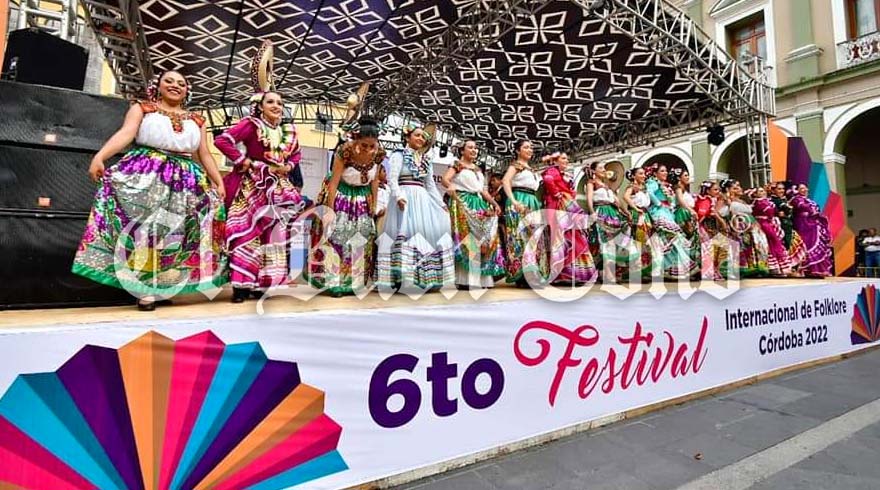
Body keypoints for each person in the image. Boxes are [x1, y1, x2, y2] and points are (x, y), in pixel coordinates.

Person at [73, 70, 227, 311]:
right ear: (158, 86)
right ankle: (143, 290)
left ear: (187, 91)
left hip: (186, 179)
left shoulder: (197, 119)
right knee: (147, 230)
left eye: (181, 83)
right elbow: (126, 133)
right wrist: (100, 156)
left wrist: (218, 180)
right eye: (169, 81)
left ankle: (162, 286)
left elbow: (204, 153)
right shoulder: (143, 108)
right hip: (149, 173)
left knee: (176, 232)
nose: (175, 85)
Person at [215, 91, 306, 302]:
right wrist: (243, 161)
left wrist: (289, 166)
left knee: (273, 235)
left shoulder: (287, 131)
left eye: (280, 103)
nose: (276, 106)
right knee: (246, 233)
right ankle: (241, 286)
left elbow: (296, 154)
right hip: (253, 185)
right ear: (260, 106)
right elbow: (222, 141)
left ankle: (261, 284)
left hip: (278, 189)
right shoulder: (252, 125)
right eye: (270, 102)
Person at [306, 117, 385, 296]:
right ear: (356, 139)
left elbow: (375, 181)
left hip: (362, 200)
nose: (368, 150)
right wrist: (330, 210)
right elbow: (333, 182)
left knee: (361, 240)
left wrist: (374, 203)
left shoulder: (379, 153)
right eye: (364, 145)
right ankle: (334, 282)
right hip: (342, 197)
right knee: (338, 238)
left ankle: (354, 283)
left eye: (372, 146)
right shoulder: (344, 151)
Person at [377, 123, 454, 291]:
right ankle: (403, 279)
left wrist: (441, 204)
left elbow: (430, 185)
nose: (420, 138)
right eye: (417, 135)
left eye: (423, 136)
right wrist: (398, 196)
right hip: (404, 199)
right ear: (407, 137)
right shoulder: (399, 154)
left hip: (422, 201)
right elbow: (392, 178)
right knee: (405, 235)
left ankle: (422, 277)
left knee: (422, 235)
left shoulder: (426, 159)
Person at [441, 140, 504, 289]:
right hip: (463, 202)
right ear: (462, 151)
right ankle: (465, 279)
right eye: (470, 147)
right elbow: (445, 179)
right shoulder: (457, 165)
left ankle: (483, 278)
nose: (474, 150)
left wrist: (495, 204)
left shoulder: (478, 170)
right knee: (468, 239)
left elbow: (483, 191)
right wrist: (451, 187)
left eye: (475, 148)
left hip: (479, 203)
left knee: (485, 239)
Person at [540, 152, 598, 286]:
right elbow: (547, 180)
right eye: (563, 158)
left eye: (567, 158)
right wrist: (557, 193)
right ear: (556, 160)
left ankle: (571, 273)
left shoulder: (562, 174)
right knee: (562, 239)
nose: (566, 160)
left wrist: (568, 191)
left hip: (565, 206)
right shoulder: (552, 171)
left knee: (569, 238)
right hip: (558, 207)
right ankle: (565, 274)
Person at [501, 139, 549, 287]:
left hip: (532, 201)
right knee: (520, 238)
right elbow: (505, 181)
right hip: (520, 200)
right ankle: (522, 276)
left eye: (531, 147)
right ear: (518, 150)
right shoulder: (516, 166)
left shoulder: (530, 169)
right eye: (526, 147)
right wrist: (514, 201)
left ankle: (532, 274)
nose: (530, 150)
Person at [644, 163, 696, 280]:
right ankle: (666, 268)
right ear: (655, 173)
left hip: (667, 212)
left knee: (673, 241)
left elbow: (671, 199)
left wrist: (670, 205)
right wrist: (659, 203)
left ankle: (673, 270)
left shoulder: (666, 185)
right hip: (659, 212)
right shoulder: (653, 183)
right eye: (662, 171)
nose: (665, 173)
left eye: (666, 171)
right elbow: (650, 193)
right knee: (670, 238)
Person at [586, 161, 632, 282]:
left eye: (604, 168)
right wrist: (592, 212)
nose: (604, 170)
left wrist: (626, 212)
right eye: (601, 168)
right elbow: (589, 199)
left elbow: (617, 201)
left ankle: (609, 272)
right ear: (594, 171)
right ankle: (608, 274)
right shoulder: (592, 183)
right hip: (601, 212)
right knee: (606, 243)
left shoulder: (607, 185)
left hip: (613, 213)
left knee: (617, 241)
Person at [720, 180, 769, 278]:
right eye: (735, 188)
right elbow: (721, 213)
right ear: (728, 190)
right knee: (742, 247)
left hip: (751, 225)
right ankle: (740, 270)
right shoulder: (726, 200)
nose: (739, 189)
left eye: (739, 186)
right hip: (739, 226)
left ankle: (755, 268)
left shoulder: (741, 200)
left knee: (754, 246)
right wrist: (729, 205)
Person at [790, 183, 834, 277]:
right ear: (797, 190)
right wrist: (811, 210)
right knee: (807, 246)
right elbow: (803, 207)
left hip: (813, 225)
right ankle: (806, 270)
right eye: (802, 188)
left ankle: (819, 270)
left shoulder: (809, 201)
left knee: (817, 245)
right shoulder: (795, 199)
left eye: (805, 188)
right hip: (803, 225)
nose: (804, 190)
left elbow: (815, 209)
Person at [752, 187, 793, 277]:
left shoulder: (766, 201)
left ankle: (780, 268)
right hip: (763, 225)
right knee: (769, 244)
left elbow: (775, 212)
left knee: (775, 243)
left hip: (771, 224)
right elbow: (766, 212)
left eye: (763, 191)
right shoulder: (757, 202)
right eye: (760, 191)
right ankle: (772, 268)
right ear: (755, 194)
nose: (763, 192)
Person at [695, 181, 732, 280]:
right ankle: (710, 272)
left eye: (718, 189)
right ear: (708, 191)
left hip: (715, 228)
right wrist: (722, 222)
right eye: (715, 190)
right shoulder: (706, 200)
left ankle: (716, 270)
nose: (718, 191)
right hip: (708, 228)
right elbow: (705, 214)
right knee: (710, 250)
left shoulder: (714, 200)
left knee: (719, 249)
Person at [623, 167, 653, 281]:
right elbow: (625, 197)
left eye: (644, 173)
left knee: (645, 244)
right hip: (637, 216)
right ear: (634, 176)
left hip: (645, 216)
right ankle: (635, 271)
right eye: (640, 173)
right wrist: (635, 208)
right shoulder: (632, 187)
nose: (643, 175)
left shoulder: (644, 188)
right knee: (637, 242)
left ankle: (644, 270)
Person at [770, 181, 807, 275]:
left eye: (783, 189)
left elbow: (788, 211)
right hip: (779, 227)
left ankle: (792, 268)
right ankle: (785, 269)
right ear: (773, 190)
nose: (781, 191)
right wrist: (777, 213)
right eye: (779, 189)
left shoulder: (784, 200)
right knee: (785, 245)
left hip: (788, 225)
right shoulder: (773, 200)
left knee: (793, 244)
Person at [672, 170, 701, 278]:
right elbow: (680, 200)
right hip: (683, 214)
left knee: (691, 241)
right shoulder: (678, 188)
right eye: (685, 175)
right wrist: (691, 210)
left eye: (688, 175)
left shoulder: (684, 188)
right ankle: (687, 268)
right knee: (686, 241)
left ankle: (692, 268)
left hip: (687, 214)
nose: (688, 177)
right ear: (679, 178)